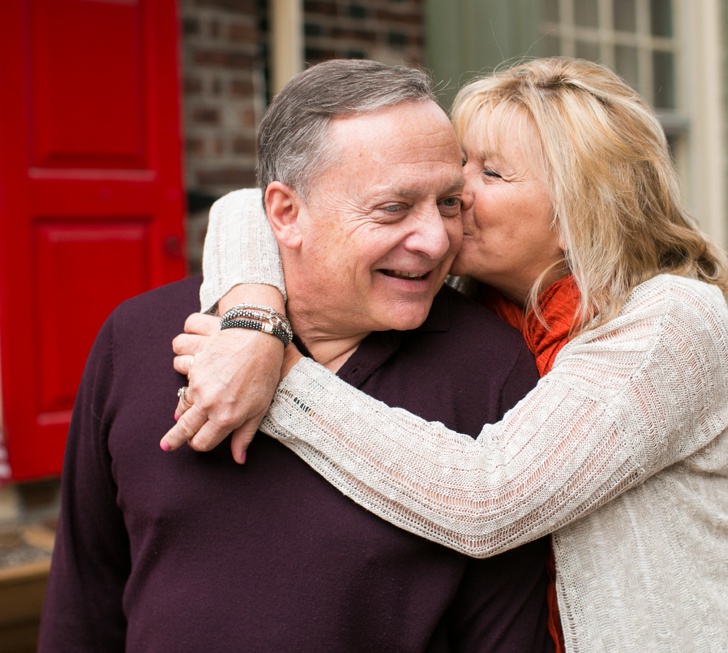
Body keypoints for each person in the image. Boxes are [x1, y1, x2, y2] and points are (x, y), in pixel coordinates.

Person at [165, 57, 728, 651]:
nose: (453, 192)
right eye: (460, 164)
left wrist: (281, 373)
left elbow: (487, 501)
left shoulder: (669, 321)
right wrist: (254, 319)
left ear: (584, 209)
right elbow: (252, 207)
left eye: (489, 173)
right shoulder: (480, 312)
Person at [39, 59, 553, 653]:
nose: (436, 241)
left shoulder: (490, 369)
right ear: (285, 213)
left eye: (447, 203)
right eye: (393, 209)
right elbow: (85, 602)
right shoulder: (138, 337)